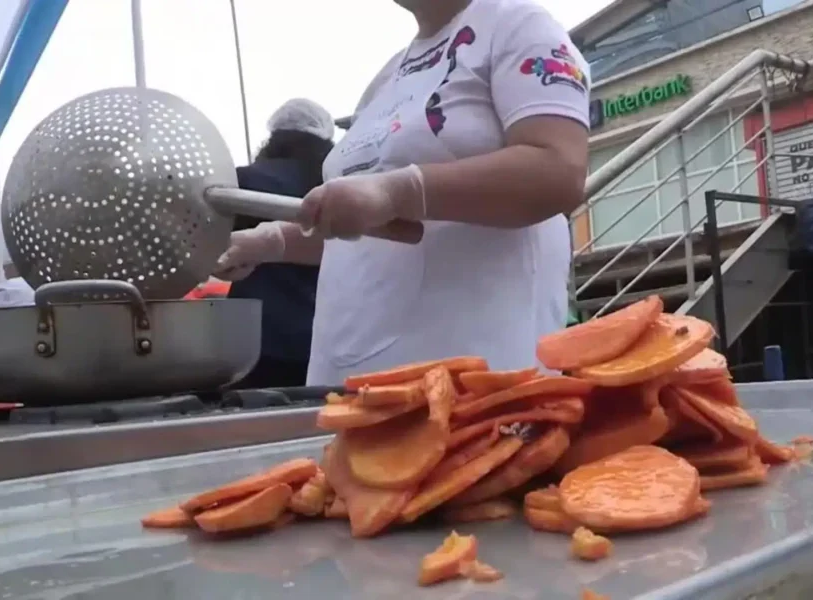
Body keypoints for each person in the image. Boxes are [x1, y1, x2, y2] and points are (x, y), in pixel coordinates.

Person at [215, 0, 590, 385]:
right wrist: (268, 242)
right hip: (349, 381)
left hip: (473, 383)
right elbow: (362, 228)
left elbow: (558, 169)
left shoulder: (518, 26)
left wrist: (397, 191)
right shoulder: (388, 77)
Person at [222, 99, 334, 388]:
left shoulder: (242, 181)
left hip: (255, 336)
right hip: (325, 333)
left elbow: (215, 249)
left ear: (274, 137)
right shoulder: (338, 186)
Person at [0, 235, 34, 308]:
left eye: (5, 269)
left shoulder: (6, 289)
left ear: (15, 267)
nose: (5, 273)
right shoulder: (37, 287)